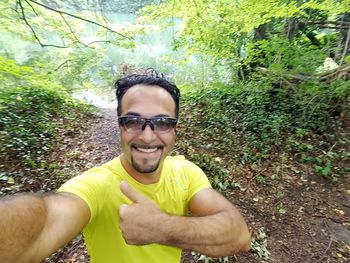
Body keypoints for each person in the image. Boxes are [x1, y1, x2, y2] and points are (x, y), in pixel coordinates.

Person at [0, 74, 251, 263]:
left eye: (162, 122)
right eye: (133, 121)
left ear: (176, 130)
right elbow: (45, 221)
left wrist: (163, 228)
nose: (148, 136)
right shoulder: (97, 185)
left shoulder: (186, 172)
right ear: (119, 127)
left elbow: (238, 235)